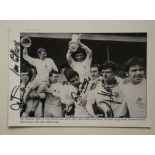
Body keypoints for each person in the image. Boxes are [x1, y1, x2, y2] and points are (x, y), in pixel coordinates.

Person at [22, 47, 58, 117]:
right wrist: (25, 47)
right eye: (43, 54)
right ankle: (23, 104)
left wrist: (51, 77)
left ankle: (32, 110)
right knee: (29, 88)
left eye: (45, 54)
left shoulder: (50, 60)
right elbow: (25, 56)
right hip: (37, 80)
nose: (45, 55)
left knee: (37, 94)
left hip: (45, 82)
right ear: (38, 54)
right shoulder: (36, 61)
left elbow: (56, 70)